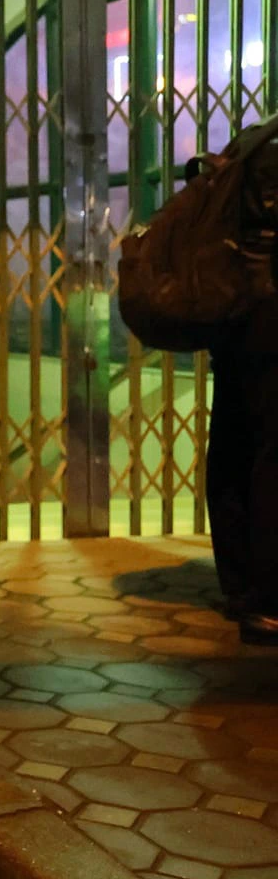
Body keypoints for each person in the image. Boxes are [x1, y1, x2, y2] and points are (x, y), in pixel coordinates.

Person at [206, 127, 278, 645]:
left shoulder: (253, 141)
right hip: (274, 317)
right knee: (271, 456)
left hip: (233, 313)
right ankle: (268, 600)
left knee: (232, 445)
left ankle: (239, 584)